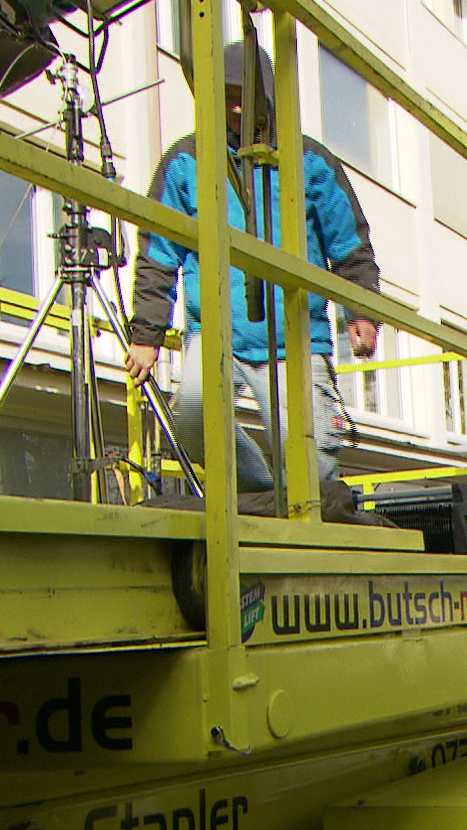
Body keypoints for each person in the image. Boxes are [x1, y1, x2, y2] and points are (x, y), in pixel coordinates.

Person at [126, 41, 381, 492]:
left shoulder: (309, 160)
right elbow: (158, 254)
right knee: (191, 424)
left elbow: (348, 242)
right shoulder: (188, 161)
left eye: (248, 94)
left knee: (313, 467)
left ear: (270, 98)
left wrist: (361, 312)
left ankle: (297, 511)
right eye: (227, 95)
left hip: (296, 340)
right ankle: (270, 497)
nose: (239, 106)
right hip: (216, 333)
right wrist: (147, 335)